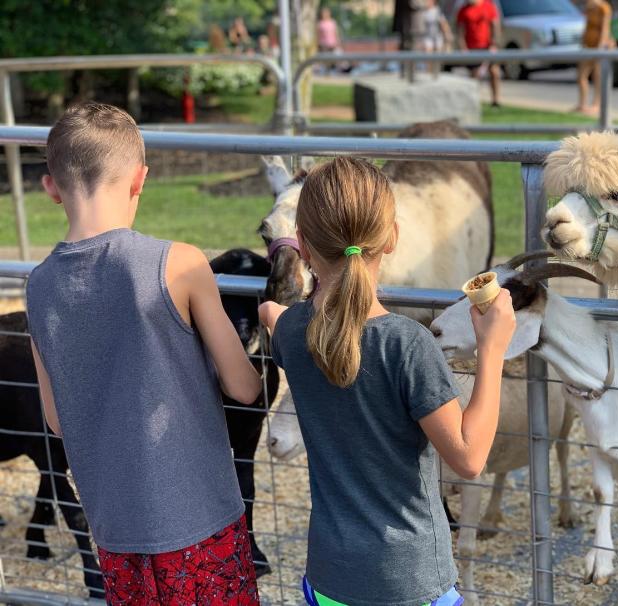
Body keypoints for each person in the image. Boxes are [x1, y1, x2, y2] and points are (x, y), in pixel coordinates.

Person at [26, 102, 263, 604]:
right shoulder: (179, 262)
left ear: (51, 188)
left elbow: (57, 418)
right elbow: (244, 386)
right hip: (201, 521)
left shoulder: (39, 286)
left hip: (113, 531)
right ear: (140, 180)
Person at [259, 157, 515, 606]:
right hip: (409, 581)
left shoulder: (291, 333)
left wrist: (271, 312)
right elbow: (469, 458)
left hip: (329, 577)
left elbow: (274, 314)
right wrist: (492, 348)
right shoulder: (408, 345)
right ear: (393, 237)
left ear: (302, 244)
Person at [457, 0, 502, 107]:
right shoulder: (463, 10)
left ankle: (496, 101)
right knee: (474, 75)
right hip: (472, 48)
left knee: (494, 72)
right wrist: (463, 47)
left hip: (487, 46)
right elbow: (460, 31)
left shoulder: (489, 6)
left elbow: (495, 26)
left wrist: (494, 44)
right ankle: (474, 101)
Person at [576, 0, 614, 115]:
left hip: (599, 47)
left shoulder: (604, 8)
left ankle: (596, 104)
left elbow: (605, 29)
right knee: (581, 75)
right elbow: (586, 25)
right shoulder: (589, 7)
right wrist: (583, 42)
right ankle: (582, 104)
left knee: (597, 76)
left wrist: (600, 47)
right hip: (589, 46)